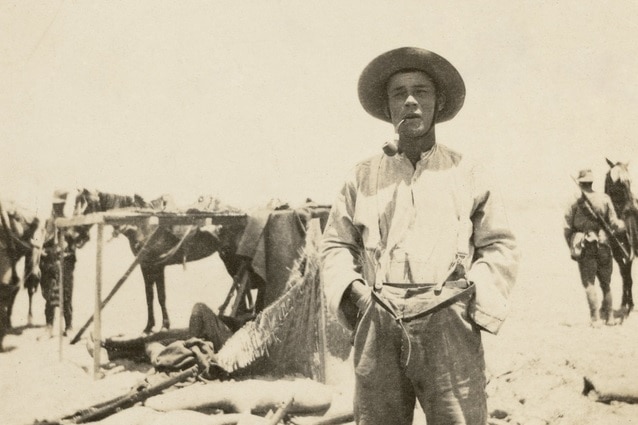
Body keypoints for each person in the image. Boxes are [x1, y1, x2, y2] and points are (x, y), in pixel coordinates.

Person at [320, 47, 519, 425]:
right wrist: (356, 295)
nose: (410, 101)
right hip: (377, 317)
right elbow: (335, 245)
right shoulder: (361, 176)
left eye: (421, 92)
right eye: (399, 93)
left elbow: (499, 245)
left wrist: (469, 298)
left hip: (448, 322)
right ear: (388, 107)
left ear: (437, 103)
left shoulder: (467, 172)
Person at [563, 168, 625, 327]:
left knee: (589, 283)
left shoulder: (573, 201)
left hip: (585, 245)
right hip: (604, 244)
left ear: (580, 182)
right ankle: (610, 318)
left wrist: (571, 245)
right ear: (591, 182)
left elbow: (567, 228)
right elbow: (614, 224)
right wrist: (621, 226)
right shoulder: (604, 199)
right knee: (606, 283)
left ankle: (595, 319)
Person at [40, 190, 87, 337]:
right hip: (50, 263)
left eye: (59, 205)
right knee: (49, 296)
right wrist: (44, 251)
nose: (56, 208)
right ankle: (49, 327)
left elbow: (83, 237)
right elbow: (42, 241)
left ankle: (69, 326)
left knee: (66, 294)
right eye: (55, 205)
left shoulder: (70, 222)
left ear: (63, 205)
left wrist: (72, 243)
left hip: (66, 263)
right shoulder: (48, 223)